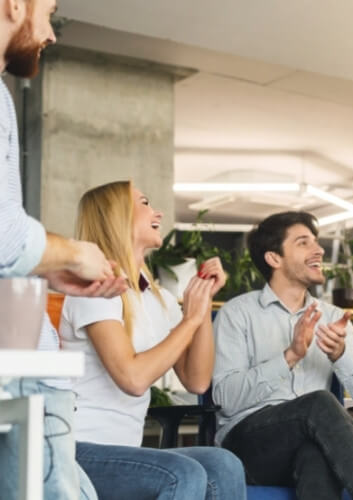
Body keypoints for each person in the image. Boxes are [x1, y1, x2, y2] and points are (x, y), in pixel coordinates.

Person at [0, 1, 127, 498]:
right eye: (48, 11)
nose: (51, 33)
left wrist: (46, 268)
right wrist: (72, 254)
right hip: (22, 373)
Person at [58, 180, 246, 500]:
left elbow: (197, 381)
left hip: (124, 451)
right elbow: (132, 378)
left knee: (222, 464)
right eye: (145, 203)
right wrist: (189, 320)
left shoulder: (158, 298)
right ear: (117, 217)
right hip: (76, 449)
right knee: (181, 474)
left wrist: (200, 306)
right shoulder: (95, 287)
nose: (157, 211)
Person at [212, 211, 353, 500]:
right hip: (249, 447)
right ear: (274, 258)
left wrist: (341, 354)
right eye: (303, 242)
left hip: (310, 443)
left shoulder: (333, 317)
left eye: (316, 242)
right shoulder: (237, 314)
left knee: (314, 456)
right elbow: (225, 399)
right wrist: (290, 356)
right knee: (319, 404)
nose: (319, 250)